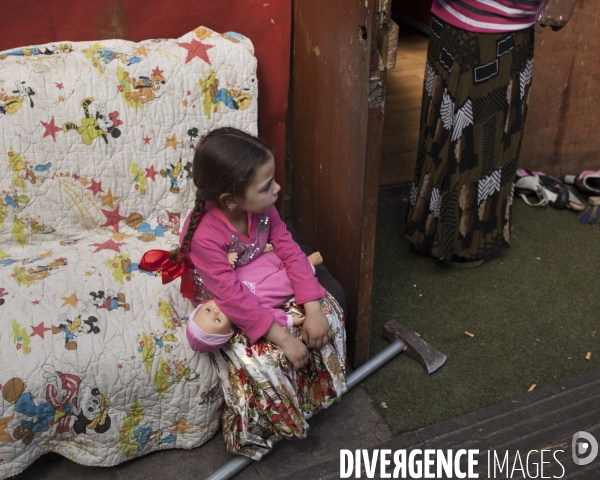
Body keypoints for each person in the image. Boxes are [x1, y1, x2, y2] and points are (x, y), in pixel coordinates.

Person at [141, 127, 346, 460]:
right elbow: (233, 298)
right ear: (231, 200)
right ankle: (273, 423)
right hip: (226, 296)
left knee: (326, 309)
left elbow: (289, 249)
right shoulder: (206, 235)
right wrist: (284, 339)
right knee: (261, 360)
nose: (278, 189)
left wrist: (314, 309)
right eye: (267, 186)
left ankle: (317, 394)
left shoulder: (261, 208)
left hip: (250, 273)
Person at [405, 0, 578, 267]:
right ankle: (456, 240)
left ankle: (433, 232)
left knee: (469, 134)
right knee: (472, 136)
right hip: (483, 26)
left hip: (502, 27)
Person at [186, 250, 324, 352]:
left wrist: (226, 259)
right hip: (276, 286)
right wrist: (289, 320)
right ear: (229, 331)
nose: (216, 311)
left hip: (262, 265)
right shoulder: (245, 319)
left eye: (208, 310)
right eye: (217, 320)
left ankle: (295, 258)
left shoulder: (218, 286)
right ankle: (308, 264)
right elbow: (268, 317)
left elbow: (217, 268)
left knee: (276, 256)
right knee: (289, 281)